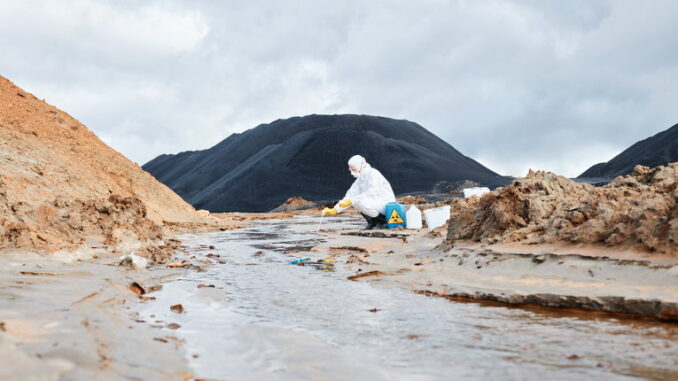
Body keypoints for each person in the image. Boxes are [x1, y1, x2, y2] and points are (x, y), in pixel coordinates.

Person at [322, 155, 396, 230]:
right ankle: (373, 222)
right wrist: (336, 209)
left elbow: (371, 192)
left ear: (361, 166)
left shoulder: (373, 174)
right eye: (351, 170)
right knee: (356, 202)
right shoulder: (360, 179)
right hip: (375, 204)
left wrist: (352, 201)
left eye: (354, 169)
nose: (352, 172)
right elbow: (350, 196)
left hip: (387, 205)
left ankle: (382, 221)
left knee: (361, 202)